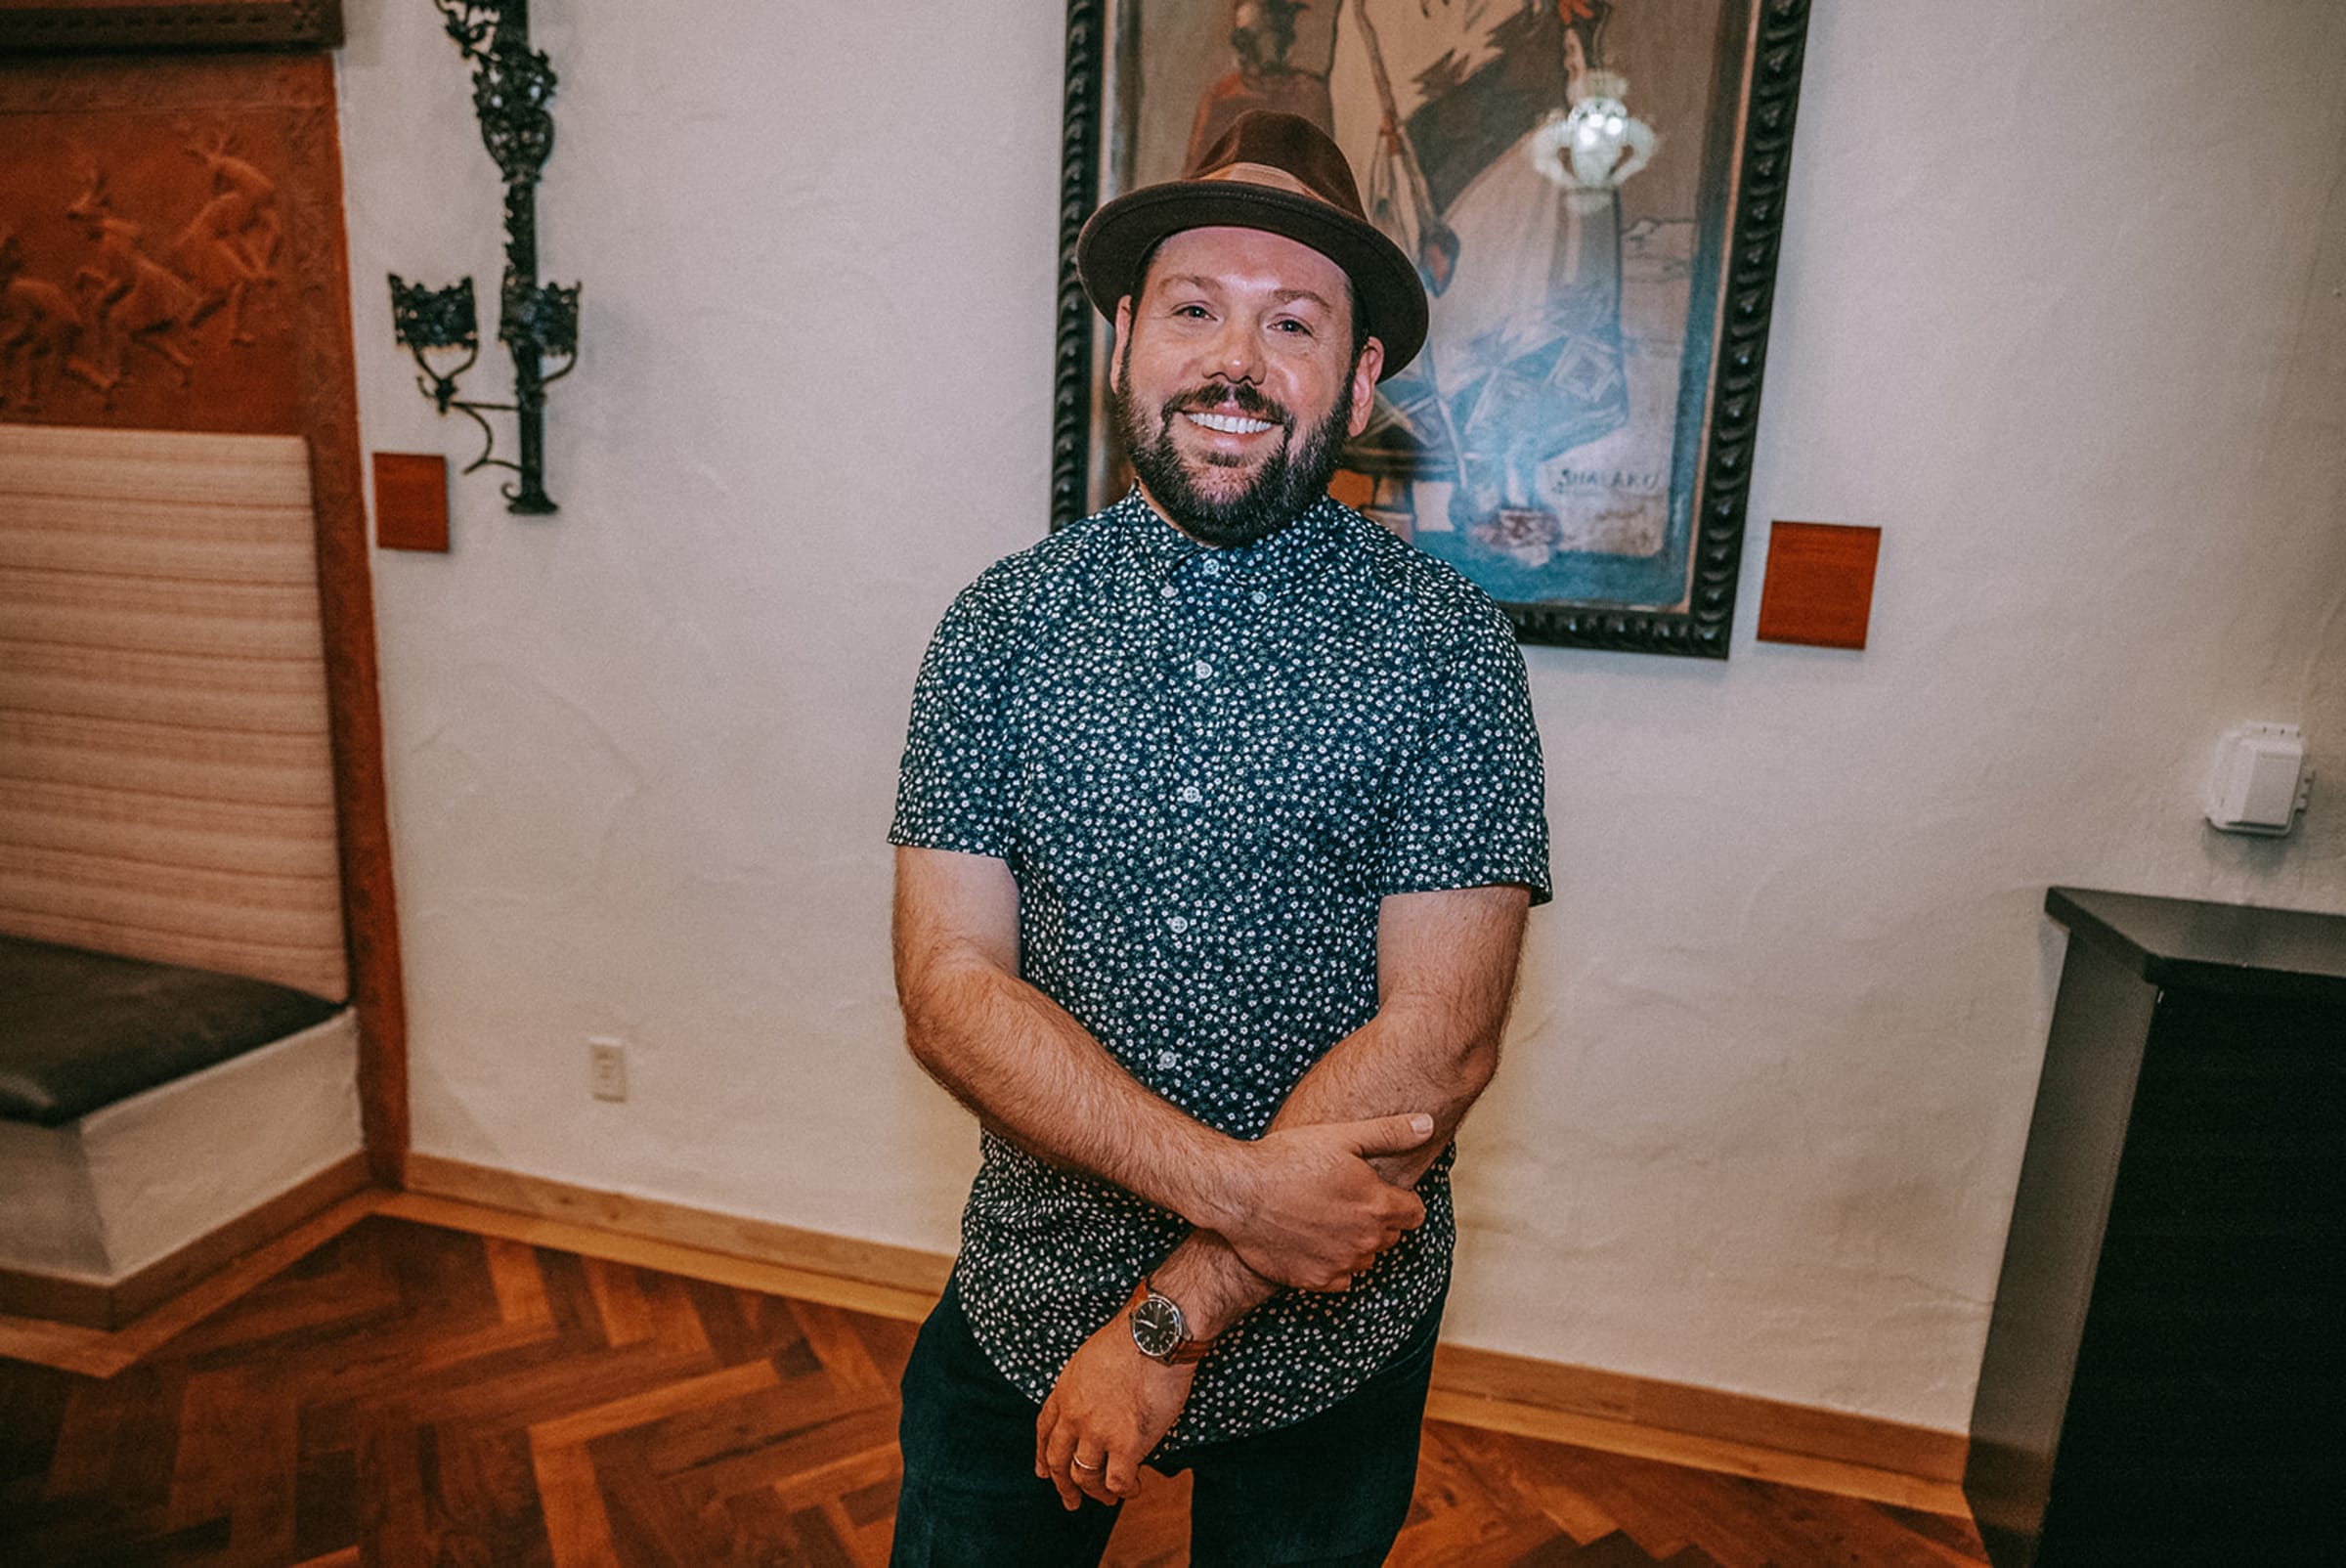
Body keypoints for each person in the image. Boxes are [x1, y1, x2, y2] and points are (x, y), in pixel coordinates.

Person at [887, 110, 1550, 1567]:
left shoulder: (1450, 651)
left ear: (1360, 376)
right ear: (1127, 335)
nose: (1237, 361)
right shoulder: (996, 629)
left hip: (1334, 1321)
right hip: (1027, 1292)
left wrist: (1172, 1316)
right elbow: (949, 989)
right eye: (1196, 309)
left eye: (1293, 322)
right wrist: (1246, 1196)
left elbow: (1440, 1042)